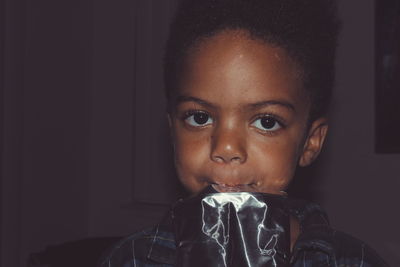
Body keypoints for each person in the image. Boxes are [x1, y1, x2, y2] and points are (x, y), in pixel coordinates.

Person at [98, 0, 389, 266]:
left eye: (266, 122)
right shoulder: (131, 260)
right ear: (172, 130)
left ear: (310, 142)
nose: (226, 147)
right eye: (200, 117)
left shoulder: (353, 262)